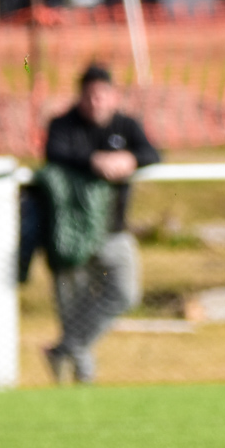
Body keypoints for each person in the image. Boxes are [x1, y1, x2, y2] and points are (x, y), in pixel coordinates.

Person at [42, 63, 160, 384]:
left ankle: (64, 349)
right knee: (73, 304)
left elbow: (154, 152)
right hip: (72, 234)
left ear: (112, 96)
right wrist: (94, 161)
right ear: (81, 96)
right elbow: (53, 152)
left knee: (124, 293)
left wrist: (130, 159)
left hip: (113, 232)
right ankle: (83, 380)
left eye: (102, 95)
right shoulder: (64, 125)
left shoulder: (126, 125)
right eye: (90, 95)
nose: (96, 102)